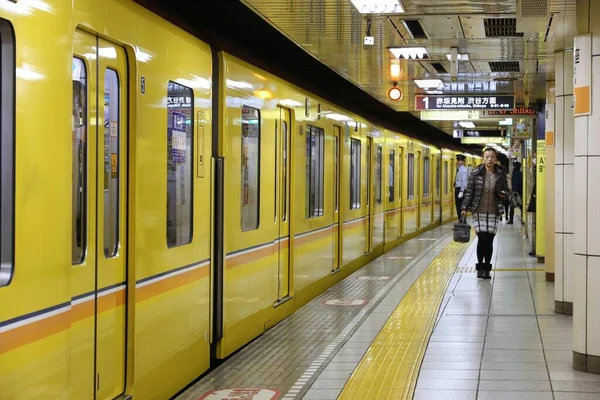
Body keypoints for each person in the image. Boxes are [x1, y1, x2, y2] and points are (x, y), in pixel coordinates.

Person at [461, 147, 509, 279]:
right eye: (487, 157)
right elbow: (469, 191)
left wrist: (503, 194)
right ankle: (480, 267)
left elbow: (506, 190)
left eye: (492, 157)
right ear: (483, 158)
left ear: (496, 159)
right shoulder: (476, 173)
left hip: (494, 212)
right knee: (482, 238)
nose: (489, 159)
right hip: (479, 211)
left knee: (489, 241)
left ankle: (487, 268)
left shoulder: (501, 174)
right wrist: (464, 207)